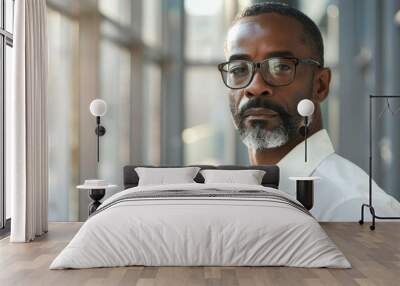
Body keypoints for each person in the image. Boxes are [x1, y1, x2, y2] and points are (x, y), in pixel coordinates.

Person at [219, 2, 400, 221]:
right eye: (239, 69)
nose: (255, 87)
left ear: (320, 85)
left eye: (281, 67)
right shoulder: (244, 196)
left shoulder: (354, 207)